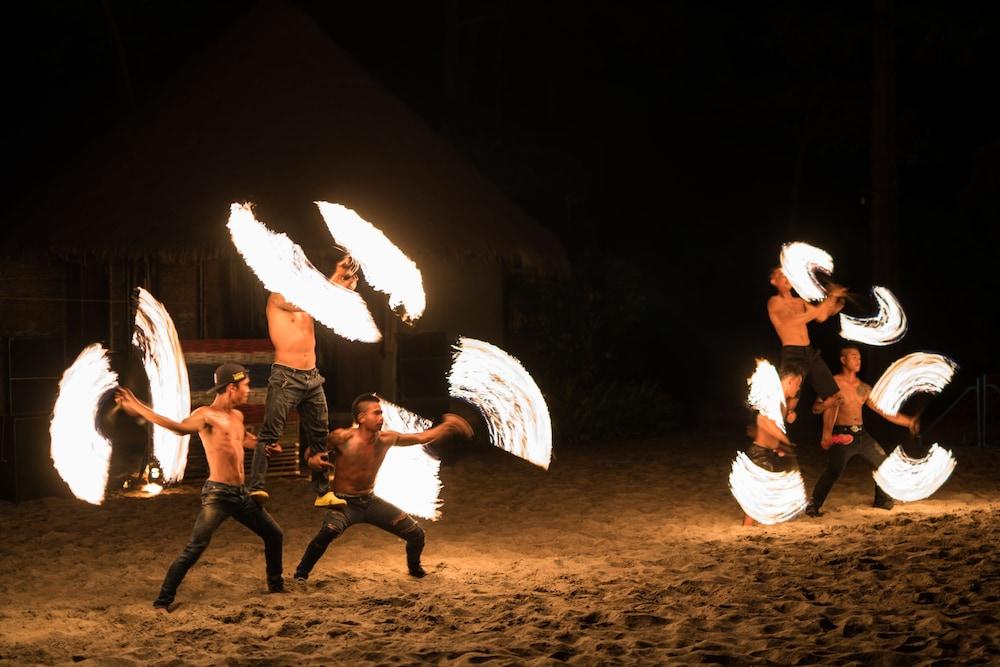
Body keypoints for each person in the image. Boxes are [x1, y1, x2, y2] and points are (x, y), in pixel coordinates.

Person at [115, 363, 284, 612]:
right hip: (218, 494)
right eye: (246, 386)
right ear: (231, 387)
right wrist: (139, 407)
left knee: (274, 534)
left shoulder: (237, 417)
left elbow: (244, 440)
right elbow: (177, 428)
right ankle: (163, 601)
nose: (249, 391)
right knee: (195, 547)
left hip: (241, 494)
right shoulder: (205, 415)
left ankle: (276, 586)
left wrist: (264, 445)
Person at [294, 393, 473, 580]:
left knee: (416, 534)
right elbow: (312, 451)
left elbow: (421, 437)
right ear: (362, 418)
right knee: (328, 532)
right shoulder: (342, 437)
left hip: (370, 502)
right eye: (376, 413)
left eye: (381, 413)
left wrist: (447, 426)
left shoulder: (388, 438)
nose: (381, 418)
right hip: (344, 503)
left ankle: (415, 570)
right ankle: (301, 574)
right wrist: (312, 461)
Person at [248, 251, 360, 507]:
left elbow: (329, 303)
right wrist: (335, 277)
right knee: (271, 432)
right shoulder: (278, 296)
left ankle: (322, 492)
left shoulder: (310, 298)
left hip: (312, 378)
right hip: (286, 377)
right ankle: (255, 487)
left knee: (320, 435)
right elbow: (312, 300)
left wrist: (345, 283)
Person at [804, 345, 919, 517]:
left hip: (861, 435)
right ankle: (814, 504)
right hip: (841, 435)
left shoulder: (863, 388)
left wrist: (908, 421)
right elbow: (815, 409)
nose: (858, 360)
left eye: (859, 357)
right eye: (853, 356)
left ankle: (882, 500)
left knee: (884, 464)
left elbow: (884, 411)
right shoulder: (832, 383)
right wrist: (827, 404)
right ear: (843, 360)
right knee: (834, 469)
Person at [767, 266, 850, 448]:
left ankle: (826, 437)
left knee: (835, 396)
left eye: (787, 273)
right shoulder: (774, 302)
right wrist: (825, 302)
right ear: (773, 282)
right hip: (793, 354)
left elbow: (821, 317)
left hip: (809, 352)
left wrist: (833, 299)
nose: (786, 277)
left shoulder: (800, 302)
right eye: (780, 275)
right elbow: (792, 322)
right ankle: (774, 441)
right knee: (789, 404)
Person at [742, 363, 804, 527]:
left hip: (770, 452)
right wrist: (785, 441)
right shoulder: (772, 398)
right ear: (789, 381)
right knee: (758, 496)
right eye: (797, 384)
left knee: (768, 493)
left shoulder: (782, 402)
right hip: (759, 453)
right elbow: (764, 422)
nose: (797, 389)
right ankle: (745, 530)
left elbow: (771, 426)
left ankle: (750, 528)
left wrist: (779, 445)